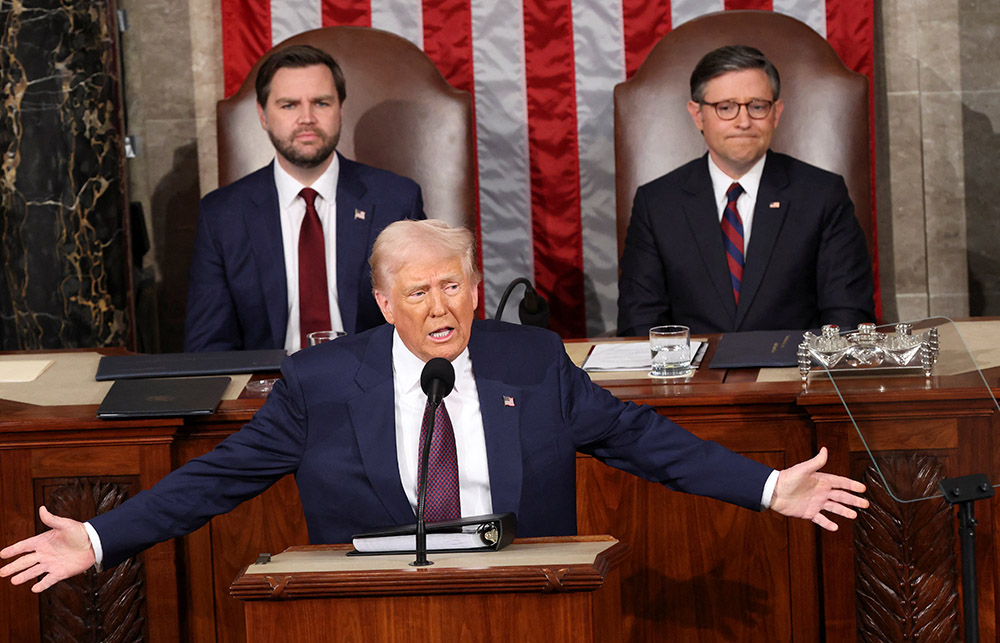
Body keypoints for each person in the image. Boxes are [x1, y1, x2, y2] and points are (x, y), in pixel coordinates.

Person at [1, 220, 867, 593]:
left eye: (454, 284)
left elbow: (644, 439)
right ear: (384, 303)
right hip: (376, 606)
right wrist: (100, 535)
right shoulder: (321, 381)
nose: (442, 307)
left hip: (530, 592)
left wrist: (765, 489)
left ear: (475, 286)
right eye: (419, 292)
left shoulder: (528, 356)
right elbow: (218, 480)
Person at [617, 45, 875, 337]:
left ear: (775, 113)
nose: (743, 122)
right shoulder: (657, 203)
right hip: (691, 378)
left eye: (757, 106)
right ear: (698, 114)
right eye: (726, 107)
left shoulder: (822, 195)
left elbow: (848, 317)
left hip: (795, 374)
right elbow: (639, 324)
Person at [184, 44, 425, 352]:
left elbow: (422, 320)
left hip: (372, 383)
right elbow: (208, 347)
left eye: (321, 103)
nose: (307, 118)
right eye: (289, 105)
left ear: (340, 109)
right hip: (268, 389)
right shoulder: (221, 215)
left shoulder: (396, 200)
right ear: (262, 115)